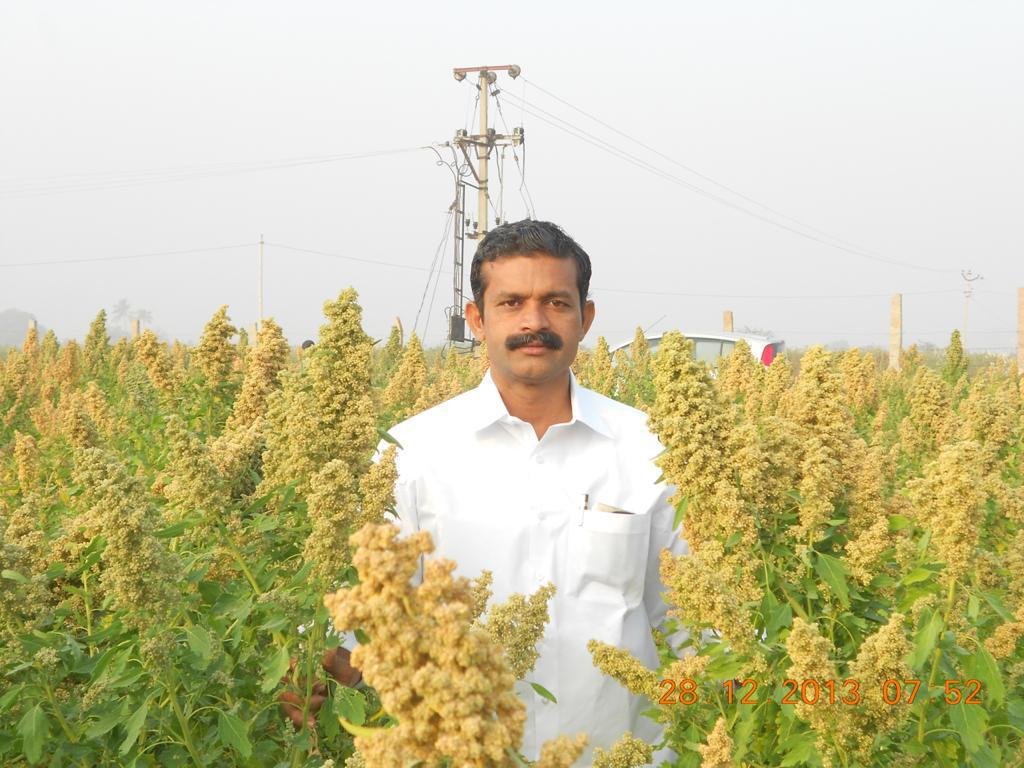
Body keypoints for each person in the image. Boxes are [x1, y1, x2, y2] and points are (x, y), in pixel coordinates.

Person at [378, 219, 686, 763]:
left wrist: (724, 726)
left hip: (621, 754)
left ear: (586, 319)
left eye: (556, 303)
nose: (534, 322)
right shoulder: (409, 454)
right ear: (477, 319)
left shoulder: (651, 449)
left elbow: (695, 622)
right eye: (511, 303)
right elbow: (373, 617)